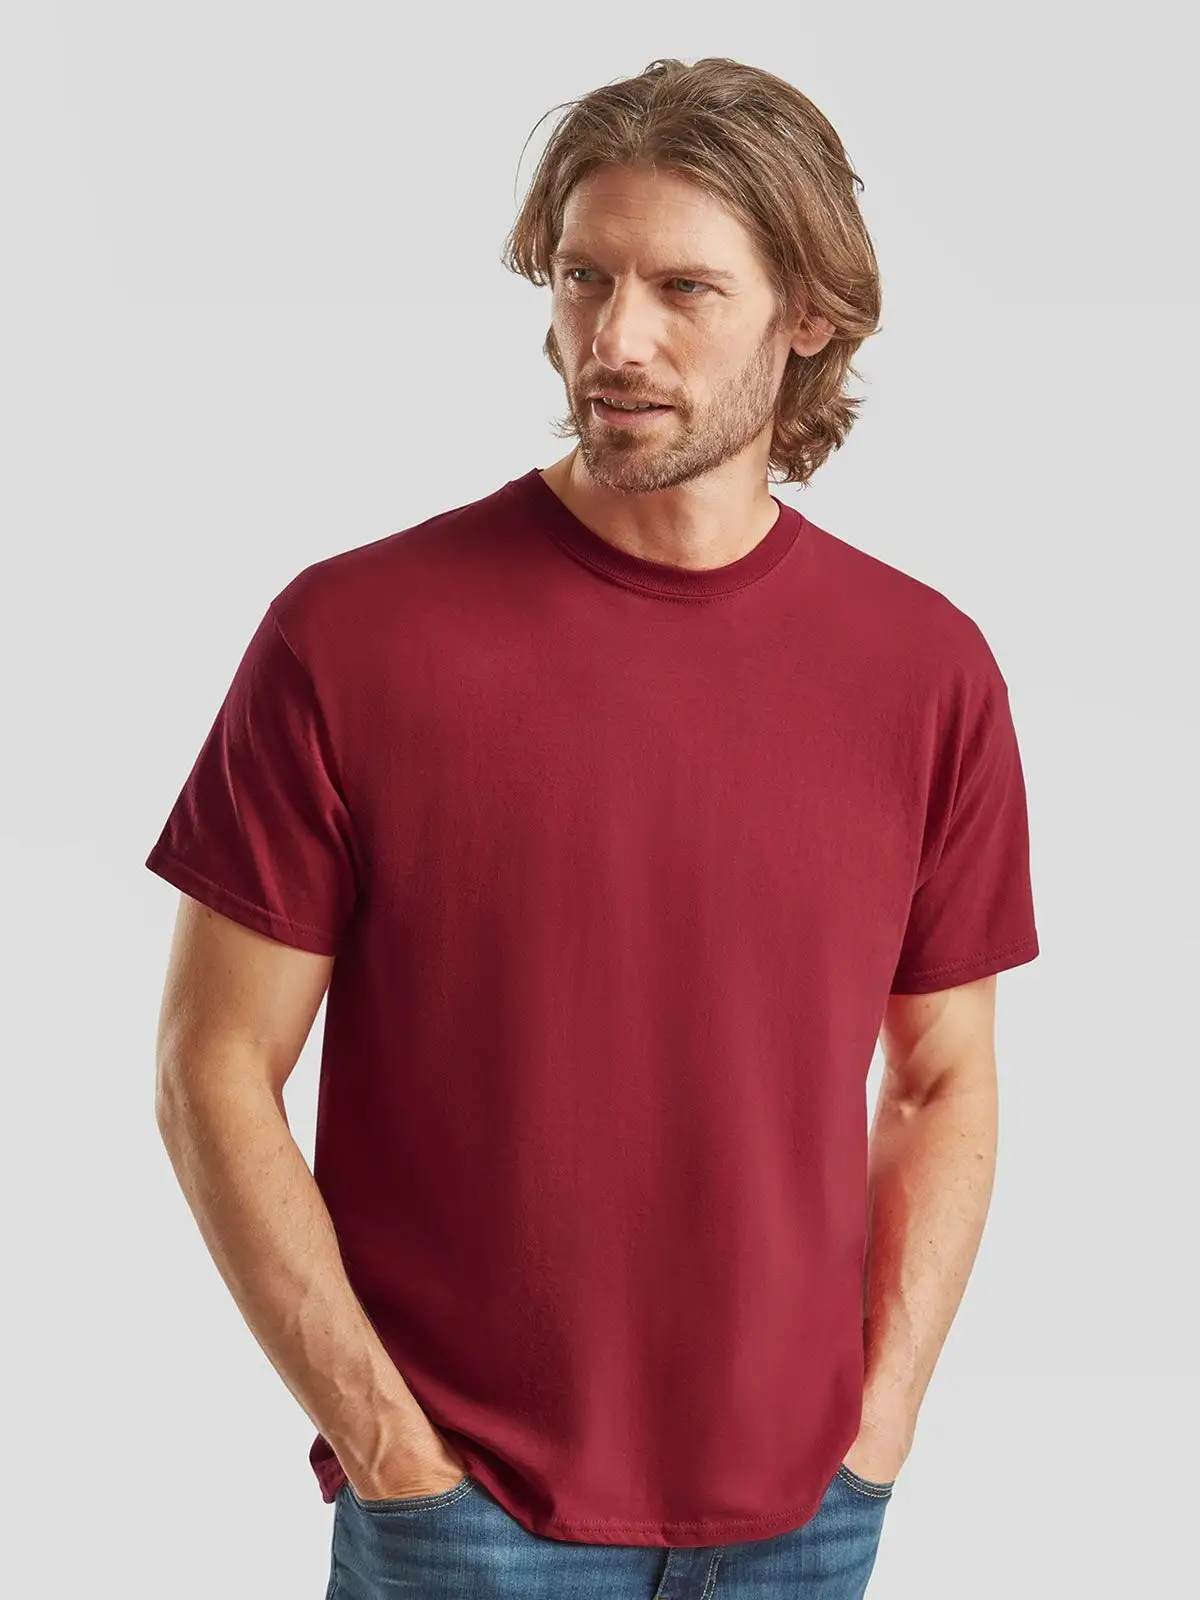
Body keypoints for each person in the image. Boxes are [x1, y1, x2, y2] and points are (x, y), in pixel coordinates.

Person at [146, 55, 1039, 1600]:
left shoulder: (925, 671)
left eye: (685, 288)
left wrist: (878, 1428)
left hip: (806, 1518)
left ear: (807, 314)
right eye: (583, 279)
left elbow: (944, 1077)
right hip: (465, 1519)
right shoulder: (352, 638)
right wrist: (391, 1451)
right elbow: (211, 1067)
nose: (614, 341)